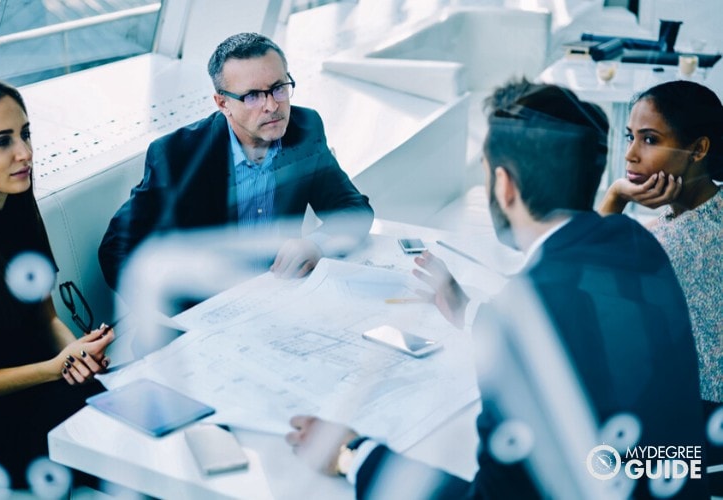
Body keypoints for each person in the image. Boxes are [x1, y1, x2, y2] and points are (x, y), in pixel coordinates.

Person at [285, 80, 708, 498]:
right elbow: (575, 321)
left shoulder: (523, 319)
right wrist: (466, 310)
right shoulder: (637, 242)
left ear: (504, 185)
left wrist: (351, 454)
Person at [99, 32, 374, 291]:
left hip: (282, 295)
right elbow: (117, 250)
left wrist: (317, 245)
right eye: (252, 96)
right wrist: (179, 313)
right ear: (222, 104)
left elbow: (354, 210)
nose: (271, 106)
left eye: (279, 88)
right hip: (206, 311)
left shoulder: (304, 129)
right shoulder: (177, 155)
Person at [0, 76, 115, 491]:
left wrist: (77, 355)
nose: (25, 153)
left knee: (134, 416)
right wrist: (55, 368)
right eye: (2, 141)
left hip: (51, 388)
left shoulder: (22, 211)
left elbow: (46, 320)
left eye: (25, 134)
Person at [599, 80, 723, 407]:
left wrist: (614, 198)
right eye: (631, 137)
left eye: (650, 140)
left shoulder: (680, 244)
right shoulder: (708, 213)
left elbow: (578, 284)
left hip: (690, 419)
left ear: (698, 149)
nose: (630, 155)